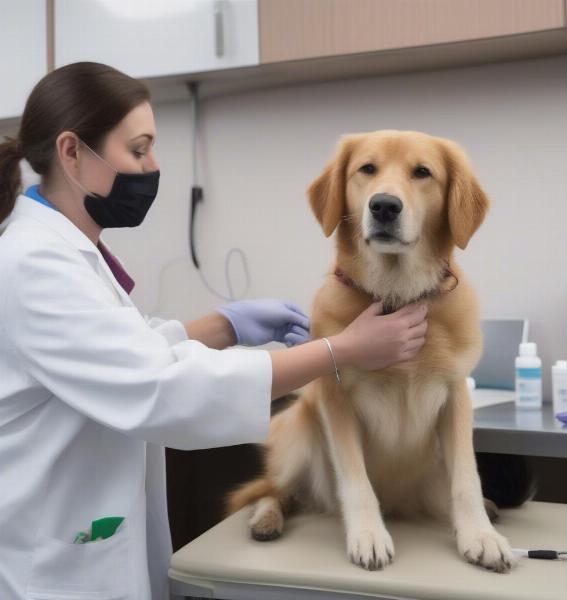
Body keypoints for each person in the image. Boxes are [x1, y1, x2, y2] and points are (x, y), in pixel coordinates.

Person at [0, 62, 428, 600]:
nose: (153, 166)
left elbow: (124, 355)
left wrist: (224, 326)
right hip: (52, 565)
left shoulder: (61, 253)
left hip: (81, 533)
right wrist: (341, 351)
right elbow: (162, 387)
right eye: (138, 150)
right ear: (71, 153)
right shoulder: (34, 263)